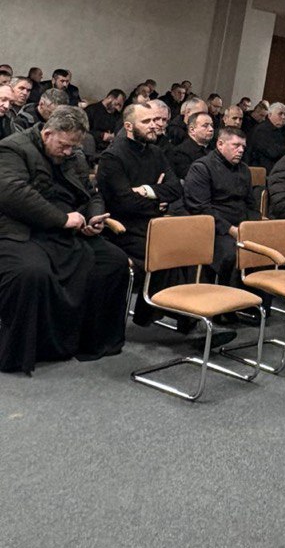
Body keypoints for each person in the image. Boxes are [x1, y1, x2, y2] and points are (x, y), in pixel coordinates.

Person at [0, 106, 128, 374]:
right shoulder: (12, 148)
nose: (69, 152)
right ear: (47, 133)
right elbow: (13, 193)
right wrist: (62, 219)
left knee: (113, 262)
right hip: (21, 228)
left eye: (74, 146)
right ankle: (27, 351)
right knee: (31, 273)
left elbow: (92, 194)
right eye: (64, 145)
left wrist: (93, 217)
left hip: (66, 230)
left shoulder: (74, 156)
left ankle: (89, 342)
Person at [97, 102, 186, 326]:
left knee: (186, 247)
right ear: (128, 126)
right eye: (146, 121)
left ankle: (170, 314)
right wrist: (158, 201)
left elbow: (176, 189)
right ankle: (174, 317)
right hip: (122, 228)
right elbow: (124, 202)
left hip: (151, 224)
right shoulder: (113, 157)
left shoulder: (156, 152)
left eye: (155, 120)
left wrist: (147, 190)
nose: (154, 125)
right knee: (170, 250)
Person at [182, 127, 259, 279]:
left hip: (242, 226)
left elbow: (251, 204)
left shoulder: (244, 169)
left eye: (243, 146)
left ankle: (255, 294)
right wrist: (231, 229)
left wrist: (253, 227)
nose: (241, 150)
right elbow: (201, 208)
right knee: (235, 254)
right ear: (220, 144)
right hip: (214, 230)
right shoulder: (201, 168)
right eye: (236, 145)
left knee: (267, 249)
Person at [170, 110, 215, 179]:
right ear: (192, 130)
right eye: (205, 126)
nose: (211, 129)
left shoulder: (216, 148)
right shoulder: (180, 152)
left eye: (212, 125)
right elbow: (191, 177)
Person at [248, 102, 285, 172]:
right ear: (270, 115)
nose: (283, 117)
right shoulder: (262, 130)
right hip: (263, 170)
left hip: (278, 169)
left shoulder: (284, 130)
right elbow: (273, 152)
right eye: (280, 114)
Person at [84, 89, 126, 155]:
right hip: (93, 148)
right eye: (117, 104)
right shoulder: (91, 110)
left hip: (110, 149)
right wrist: (101, 135)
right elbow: (83, 131)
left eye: (120, 106)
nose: (118, 109)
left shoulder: (117, 115)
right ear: (110, 98)